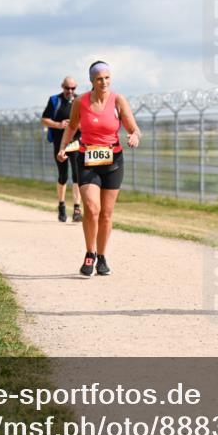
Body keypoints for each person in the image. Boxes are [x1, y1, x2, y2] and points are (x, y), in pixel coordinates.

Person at [58, 60, 141, 276]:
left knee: (106, 213)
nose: (104, 82)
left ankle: (102, 257)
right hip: (87, 160)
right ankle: (90, 252)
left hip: (113, 161)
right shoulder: (81, 102)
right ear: (92, 81)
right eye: (99, 79)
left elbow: (134, 129)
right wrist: (63, 148)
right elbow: (73, 126)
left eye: (107, 78)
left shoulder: (118, 100)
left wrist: (133, 136)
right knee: (92, 209)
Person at [41, 76, 82, 222]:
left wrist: (76, 125)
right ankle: (61, 205)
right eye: (67, 88)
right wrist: (59, 125)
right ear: (62, 87)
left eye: (73, 88)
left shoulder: (80, 100)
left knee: (78, 175)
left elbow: (86, 122)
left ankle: (77, 208)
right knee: (63, 176)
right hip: (60, 144)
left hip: (77, 142)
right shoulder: (54, 101)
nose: (70, 91)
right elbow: (44, 120)